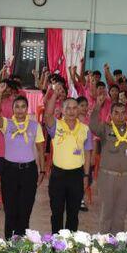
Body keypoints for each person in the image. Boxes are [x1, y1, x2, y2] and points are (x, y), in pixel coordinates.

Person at [0, 84, 46, 239]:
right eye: (17, 107)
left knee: (25, 209)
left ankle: (22, 242)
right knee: (10, 209)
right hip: (10, 171)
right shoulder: (7, 124)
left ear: (27, 109)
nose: (20, 110)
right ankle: (9, 241)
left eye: (23, 107)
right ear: (13, 109)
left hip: (29, 171)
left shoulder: (35, 126)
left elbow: (40, 149)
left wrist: (42, 170)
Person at [89, 92, 127, 234]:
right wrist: (97, 106)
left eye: (123, 113)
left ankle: (117, 244)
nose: (120, 116)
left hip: (126, 179)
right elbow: (93, 126)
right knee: (106, 213)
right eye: (116, 113)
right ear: (111, 115)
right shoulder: (105, 129)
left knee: (120, 215)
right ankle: (103, 242)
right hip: (107, 177)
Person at [43, 82, 93, 233]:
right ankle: (56, 242)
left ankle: (70, 243)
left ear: (78, 110)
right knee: (56, 212)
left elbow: (88, 153)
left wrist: (86, 175)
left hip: (77, 175)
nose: (71, 111)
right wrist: (55, 94)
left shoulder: (85, 129)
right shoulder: (56, 125)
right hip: (58, 175)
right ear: (62, 110)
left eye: (74, 108)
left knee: (73, 213)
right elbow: (47, 115)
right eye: (68, 108)